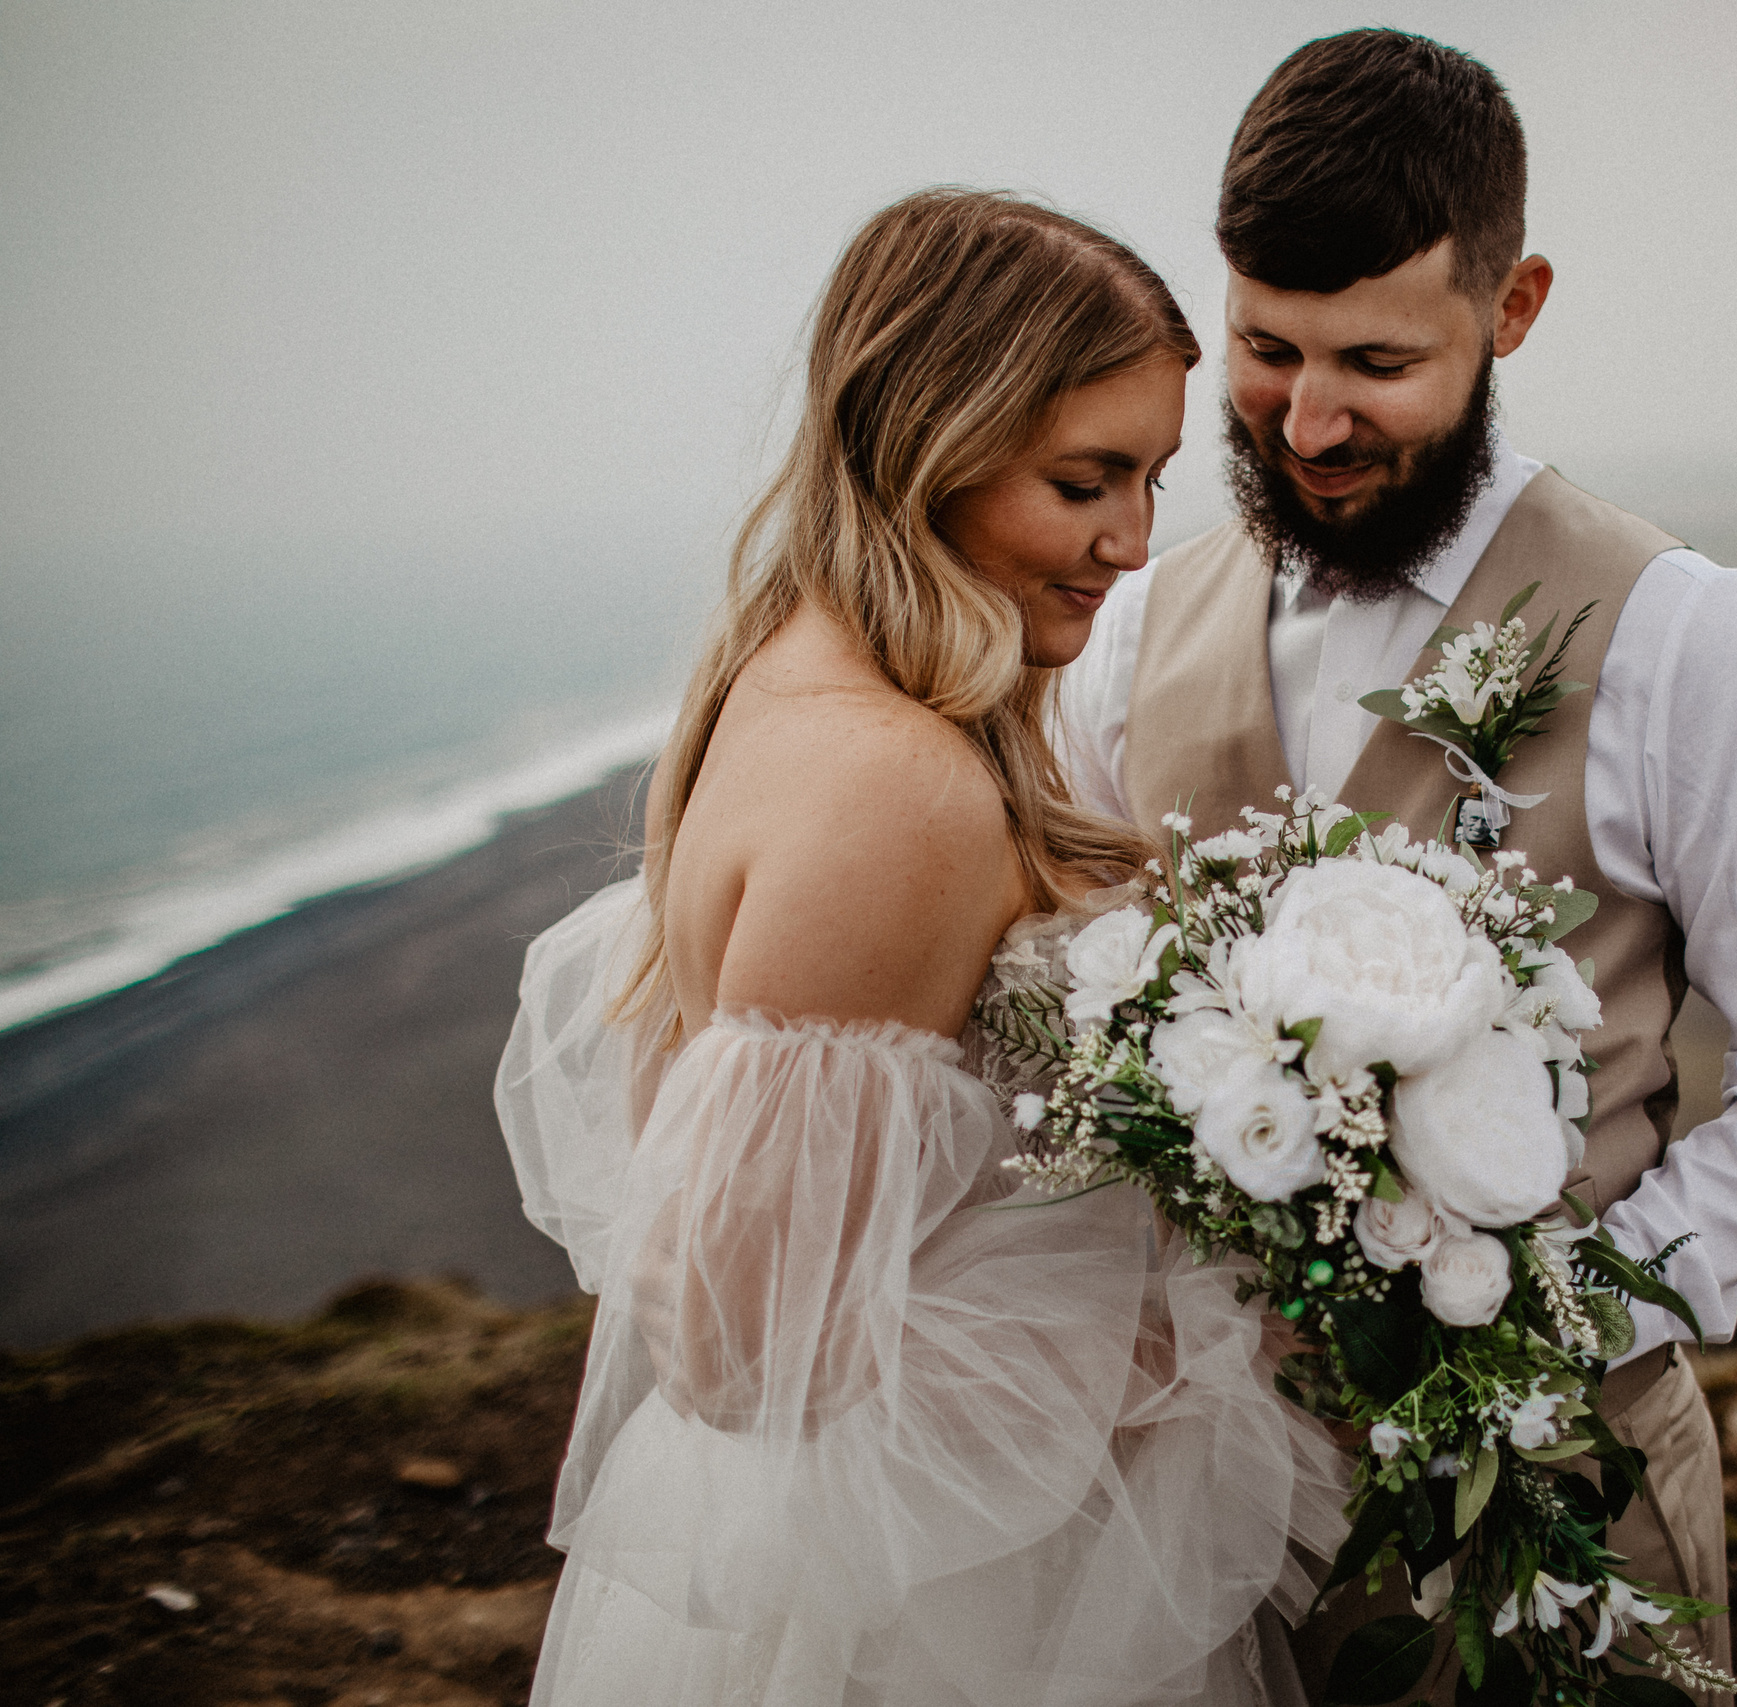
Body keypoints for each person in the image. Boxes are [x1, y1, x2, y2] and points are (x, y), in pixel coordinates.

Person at [1057, 30, 1737, 1702]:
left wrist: (1563, 1318)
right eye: (1263, 349)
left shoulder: (1685, 638)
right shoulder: (1139, 626)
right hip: (1198, 1518)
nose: (1305, 420)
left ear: (1511, 309)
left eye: (1373, 360)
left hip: (1561, 1502)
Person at [495, 188, 1346, 1707]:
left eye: (1152, 479)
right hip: (944, 1618)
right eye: (1087, 481)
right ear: (930, 442)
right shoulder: (900, 791)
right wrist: (1174, 1349)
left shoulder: (791, 671)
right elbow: (735, 1347)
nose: (1133, 543)